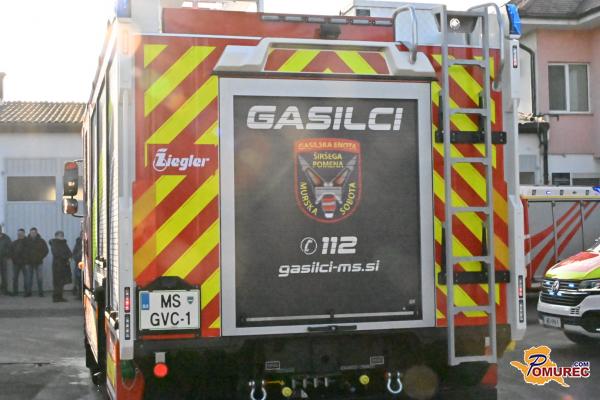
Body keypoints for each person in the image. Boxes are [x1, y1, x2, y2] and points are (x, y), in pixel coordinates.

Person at [24, 227, 49, 297]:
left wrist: (40, 257)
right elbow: (23, 251)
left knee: (40, 278)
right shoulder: (26, 241)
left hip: (39, 262)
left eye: (34, 232)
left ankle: (41, 292)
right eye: (31, 232)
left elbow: (46, 250)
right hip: (29, 263)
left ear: (36, 233)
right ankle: (28, 292)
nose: (33, 234)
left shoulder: (41, 241)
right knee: (29, 279)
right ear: (29, 233)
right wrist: (26, 258)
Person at [49, 231, 72, 302]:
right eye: (60, 235)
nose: (61, 237)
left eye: (62, 235)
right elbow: (56, 254)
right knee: (57, 282)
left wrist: (69, 258)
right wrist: (66, 257)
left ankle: (60, 297)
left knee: (62, 282)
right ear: (56, 236)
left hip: (64, 265)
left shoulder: (64, 243)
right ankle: (56, 297)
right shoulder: (54, 243)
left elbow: (69, 252)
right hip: (57, 266)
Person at [10, 229, 27, 296]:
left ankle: (26, 292)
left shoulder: (27, 242)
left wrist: (27, 259)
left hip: (25, 263)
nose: (19, 234)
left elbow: (30, 252)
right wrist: (13, 259)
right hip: (16, 263)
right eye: (18, 233)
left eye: (21, 233)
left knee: (26, 278)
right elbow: (11, 252)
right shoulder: (14, 242)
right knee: (15, 278)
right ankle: (15, 292)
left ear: (24, 234)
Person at [0, 227, 11, 295]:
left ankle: (5, 290)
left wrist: (6, 254)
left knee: (4, 275)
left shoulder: (6, 237)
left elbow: (10, 247)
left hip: (3, 258)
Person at [72, 231, 83, 299]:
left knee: (83, 280)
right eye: (82, 234)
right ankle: (79, 294)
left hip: (86, 265)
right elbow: (74, 254)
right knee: (79, 279)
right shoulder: (78, 243)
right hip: (79, 264)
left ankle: (80, 294)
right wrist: (79, 255)